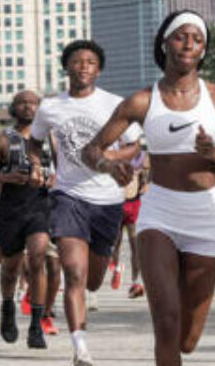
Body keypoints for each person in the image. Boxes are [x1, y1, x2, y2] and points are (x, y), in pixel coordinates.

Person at [84, 10, 215, 366]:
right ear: (165, 42)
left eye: (198, 40)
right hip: (160, 214)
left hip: (206, 214)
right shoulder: (141, 101)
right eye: (182, 36)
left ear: (203, 51)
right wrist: (109, 164)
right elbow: (91, 149)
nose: (189, 44)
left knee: (188, 339)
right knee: (166, 323)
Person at [28, 39, 141, 366]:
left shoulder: (115, 104)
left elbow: (133, 146)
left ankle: (89, 296)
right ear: (67, 67)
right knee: (73, 273)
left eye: (90, 62)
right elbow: (34, 142)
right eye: (77, 62)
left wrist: (110, 157)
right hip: (68, 196)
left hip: (107, 199)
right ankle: (80, 348)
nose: (83, 67)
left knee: (92, 279)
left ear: (99, 69)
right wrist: (38, 166)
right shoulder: (51, 107)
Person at [0, 90, 55, 349]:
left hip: (40, 208)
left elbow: (66, 170)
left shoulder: (50, 138)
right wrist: (6, 178)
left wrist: (53, 179)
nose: (28, 107)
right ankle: (7, 307)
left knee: (37, 257)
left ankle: (37, 324)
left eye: (33, 103)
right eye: (22, 103)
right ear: (13, 108)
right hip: (11, 211)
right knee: (10, 268)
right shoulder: (3, 140)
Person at [111, 154, 147, 299]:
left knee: (135, 243)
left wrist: (144, 184)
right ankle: (117, 267)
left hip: (134, 203)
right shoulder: (117, 154)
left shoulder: (142, 158)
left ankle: (135, 281)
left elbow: (145, 179)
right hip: (117, 202)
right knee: (116, 242)